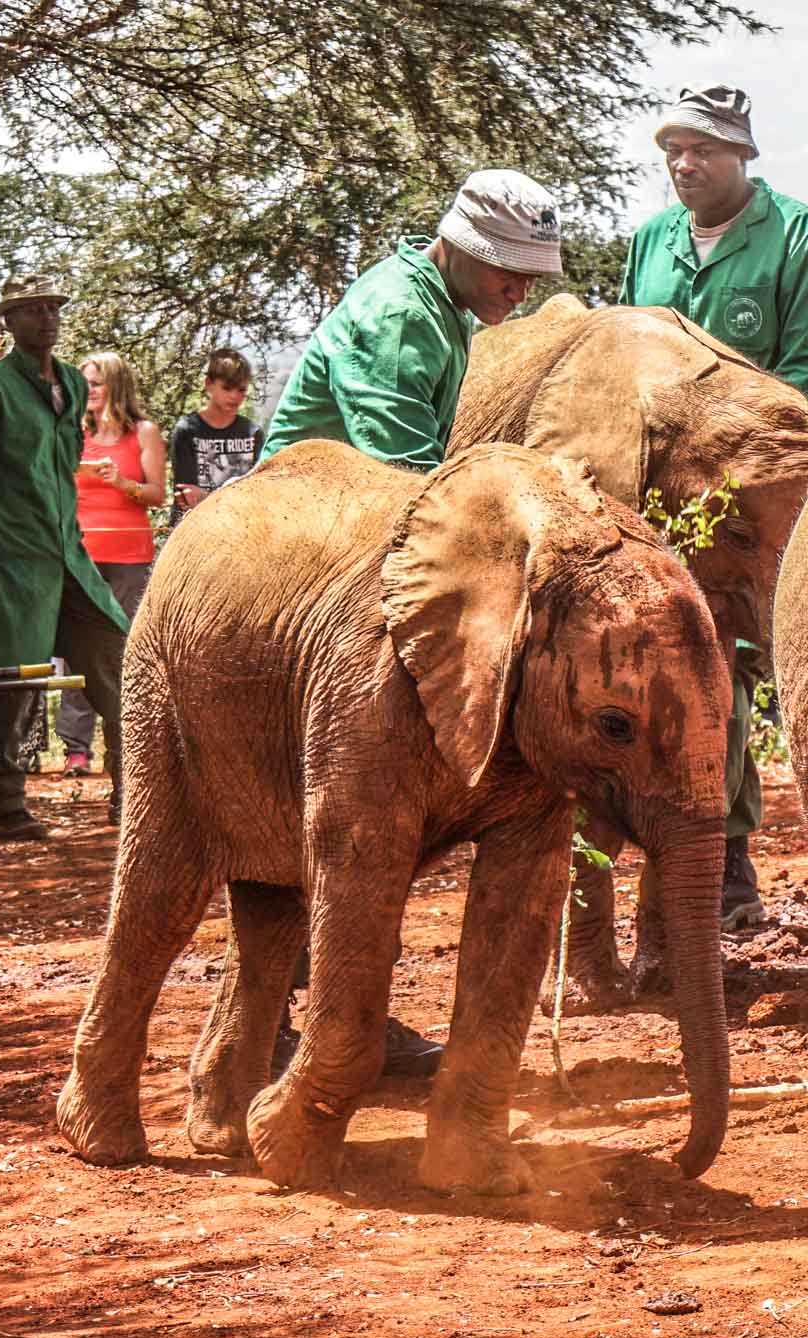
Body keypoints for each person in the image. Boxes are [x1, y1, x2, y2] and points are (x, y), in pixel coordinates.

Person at [260, 176, 562, 1079]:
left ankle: (331, 1015)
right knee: (310, 808)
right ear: (462, 247)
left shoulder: (442, 312)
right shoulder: (399, 315)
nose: (523, 287)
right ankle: (287, 1026)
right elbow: (401, 477)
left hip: (338, 552)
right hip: (293, 563)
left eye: (531, 271)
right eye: (511, 268)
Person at [619, 83, 808, 930]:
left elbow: (805, 375)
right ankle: (670, 850)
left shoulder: (796, 236)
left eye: (704, 149)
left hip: (751, 498)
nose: (685, 163)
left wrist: (739, 478)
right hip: (655, 498)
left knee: (730, 664)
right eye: (673, 148)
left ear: (743, 156)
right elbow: (626, 360)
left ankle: (726, 857)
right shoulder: (649, 240)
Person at [0, 276, 130, 842]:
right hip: (7, 558)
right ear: (9, 323)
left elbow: (66, 459)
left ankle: (135, 794)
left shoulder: (71, 382)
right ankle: (3, 806)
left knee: (112, 660)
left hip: (68, 554)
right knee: (4, 682)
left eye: (53, 308)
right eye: (32, 310)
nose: (47, 318)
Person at [261, 169, 561, 467]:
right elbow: (404, 468)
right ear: (460, 241)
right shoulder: (401, 313)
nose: (520, 295)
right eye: (506, 271)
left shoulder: (447, 303)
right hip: (302, 499)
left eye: (531, 278)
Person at [57, 352, 165, 778]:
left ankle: (125, 747)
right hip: (79, 556)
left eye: (97, 384)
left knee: (121, 652)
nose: (90, 392)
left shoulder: (144, 433)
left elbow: (156, 494)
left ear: (116, 386)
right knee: (79, 651)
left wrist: (121, 483)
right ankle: (75, 749)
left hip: (129, 557)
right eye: (85, 384)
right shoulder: (73, 433)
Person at [168, 348, 264, 521]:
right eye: (227, 388)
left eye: (241, 390)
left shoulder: (252, 433)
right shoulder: (187, 431)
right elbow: (186, 496)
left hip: (240, 526)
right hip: (193, 527)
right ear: (208, 384)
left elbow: (257, 493)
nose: (234, 396)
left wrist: (206, 496)